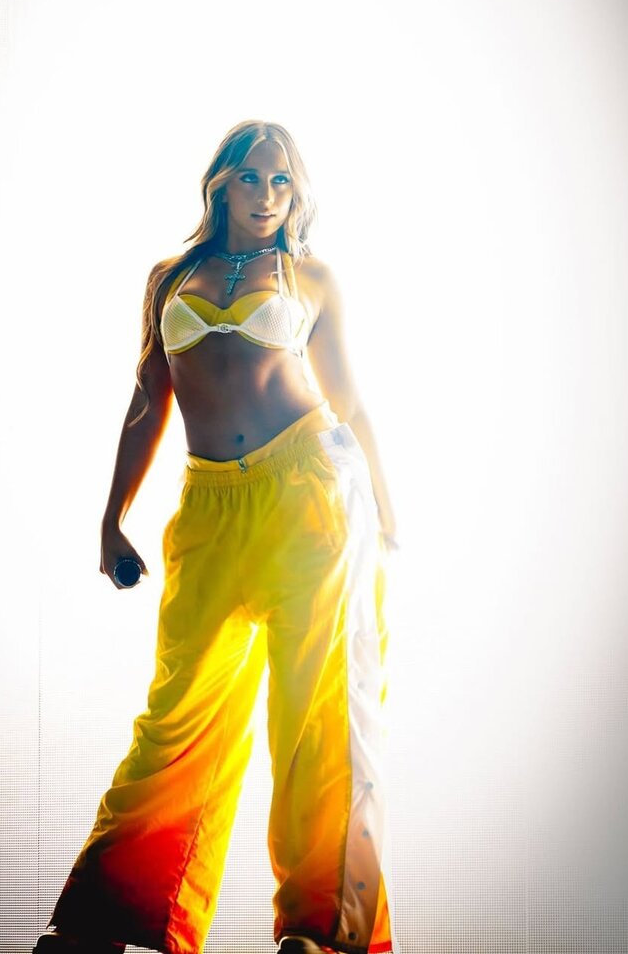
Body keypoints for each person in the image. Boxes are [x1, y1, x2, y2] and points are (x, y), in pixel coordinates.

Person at [33, 120, 399, 954]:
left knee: (311, 717)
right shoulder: (169, 278)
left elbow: (347, 400)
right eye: (251, 178)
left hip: (306, 493)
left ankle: (317, 929)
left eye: (281, 181)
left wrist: (383, 506)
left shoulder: (310, 277)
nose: (266, 196)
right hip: (207, 507)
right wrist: (111, 518)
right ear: (220, 184)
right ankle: (104, 918)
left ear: (296, 192)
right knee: (174, 715)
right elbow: (146, 400)